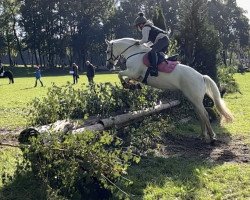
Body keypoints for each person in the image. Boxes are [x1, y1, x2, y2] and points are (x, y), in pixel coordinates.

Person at [134, 12, 170, 77]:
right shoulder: (148, 26)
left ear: (141, 24)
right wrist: (145, 45)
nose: (138, 27)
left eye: (137, 25)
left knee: (153, 51)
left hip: (162, 40)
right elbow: (151, 41)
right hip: (164, 40)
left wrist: (138, 42)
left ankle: (154, 69)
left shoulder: (145, 28)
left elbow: (144, 39)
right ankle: (161, 67)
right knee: (156, 54)